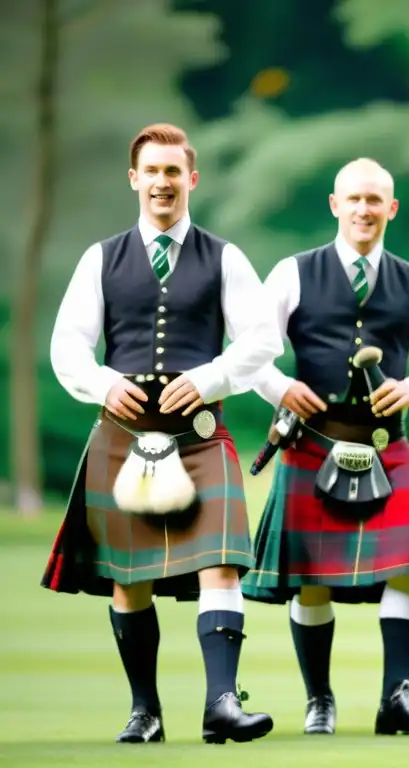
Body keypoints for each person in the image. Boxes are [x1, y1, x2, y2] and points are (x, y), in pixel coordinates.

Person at [41, 123, 281, 744]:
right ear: (134, 179)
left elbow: (262, 338)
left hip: (201, 434)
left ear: (191, 179)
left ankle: (222, 704)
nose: (162, 182)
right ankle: (144, 712)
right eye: (152, 171)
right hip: (122, 437)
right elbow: (67, 345)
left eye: (173, 171)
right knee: (129, 576)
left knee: (221, 565)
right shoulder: (102, 258)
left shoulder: (225, 256)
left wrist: (212, 377)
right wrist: (100, 383)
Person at [240, 158, 409, 737]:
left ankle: (397, 696)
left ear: (391, 209)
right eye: (354, 199)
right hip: (312, 442)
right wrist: (281, 387)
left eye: (376, 200)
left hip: (388, 444)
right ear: (335, 206)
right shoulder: (293, 271)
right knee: (311, 577)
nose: (364, 210)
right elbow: (251, 350)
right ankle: (319, 700)